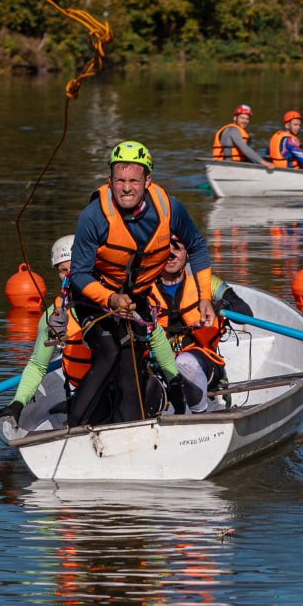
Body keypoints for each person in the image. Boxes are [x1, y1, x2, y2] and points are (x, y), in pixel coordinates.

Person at [65, 141, 216, 427]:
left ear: (147, 180)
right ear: (109, 181)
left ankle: (130, 430)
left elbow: (196, 247)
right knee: (109, 352)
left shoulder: (170, 209)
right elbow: (79, 274)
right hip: (93, 299)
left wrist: (205, 297)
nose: (126, 188)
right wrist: (110, 299)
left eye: (134, 180)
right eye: (119, 180)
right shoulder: (93, 217)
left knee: (131, 367)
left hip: (136, 300)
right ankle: (71, 429)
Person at [0, 234, 180, 437]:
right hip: (91, 394)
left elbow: (158, 340)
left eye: (73, 268)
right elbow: (38, 365)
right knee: (96, 409)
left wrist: (175, 384)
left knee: (146, 391)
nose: (69, 275)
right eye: (62, 270)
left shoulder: (120, 303)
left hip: (134, 389)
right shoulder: (54, 316)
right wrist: (17, 404)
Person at [148, 236, 254, 415]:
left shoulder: (208, 283)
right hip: (158, 365)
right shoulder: (143, 286)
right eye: (165, 249)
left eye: (177, 249)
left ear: (187, 254)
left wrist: (219, 305)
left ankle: (200, 417)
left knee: (185, 363)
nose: (171, 255)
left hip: (202, 362)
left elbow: (245, 314)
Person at [211, 104, 275, 168]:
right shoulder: (232, 130)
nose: (245, 121)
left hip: (237, 163)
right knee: (265, 161)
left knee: (269, 160)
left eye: (247, 119)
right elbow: (244, 148)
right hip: (227, 165)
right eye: (242, 118)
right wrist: (264, 163)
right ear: (235, 118)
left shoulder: (240, 131)